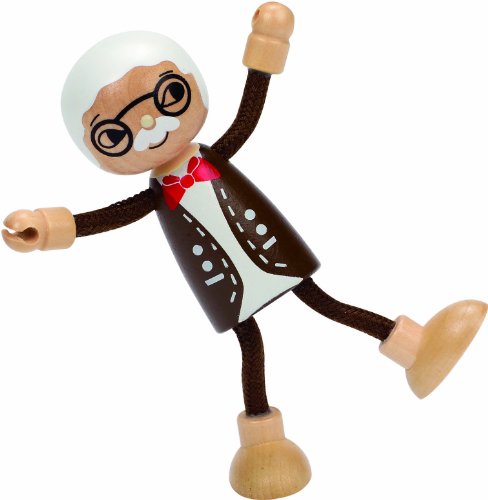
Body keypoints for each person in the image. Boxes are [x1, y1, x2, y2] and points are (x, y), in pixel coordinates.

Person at [2, 4, 486, 499]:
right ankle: (264, 446)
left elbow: (248, 114)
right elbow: (104, 218)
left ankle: (417, 350)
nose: (148, 124)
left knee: (322, 301)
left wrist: (268, 44)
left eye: (167, 96)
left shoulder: (211, 157)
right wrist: (46, 227)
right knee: (251, 341)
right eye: (116, 134)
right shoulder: (155, 194)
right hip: (219, 277)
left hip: (267, 246)